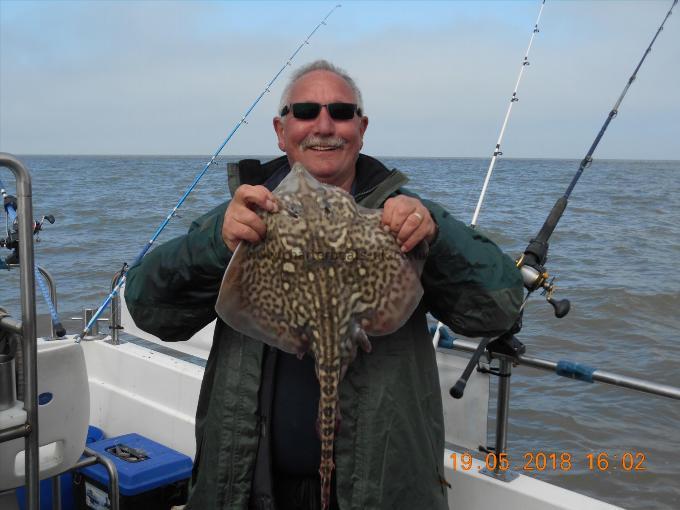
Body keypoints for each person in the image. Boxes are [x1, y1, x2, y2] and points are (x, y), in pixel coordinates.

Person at [125, 60, 523, 510]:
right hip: (245, 490)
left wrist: (434, 236)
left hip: (382, 493)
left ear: (361, 127)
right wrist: (217, 243)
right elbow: (149, 308)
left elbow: (501, 308)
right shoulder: (242, 216)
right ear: (281, 129)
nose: (324, 124)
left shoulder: (403, 219)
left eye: (340, 111)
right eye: (307, 110)